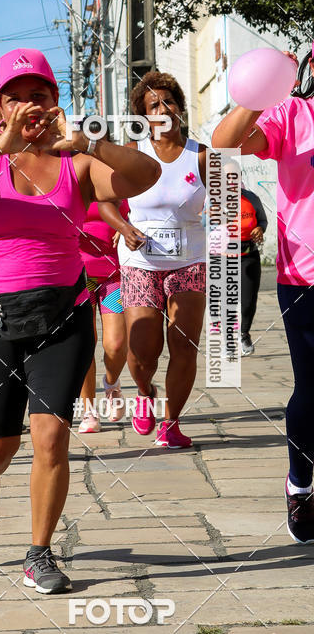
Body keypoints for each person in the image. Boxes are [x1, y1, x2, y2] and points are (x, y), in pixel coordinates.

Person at [0, 48, 160, 594]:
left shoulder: (76, 161)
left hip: (63, 318)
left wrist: (91, 141)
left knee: (51, 438)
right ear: (1, 106)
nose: (30, 104)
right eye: (17, 96)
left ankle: (39, 552)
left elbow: (145, 176)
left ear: (55, 102)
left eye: (40, 95)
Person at [212, 44, 314, 545]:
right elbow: (225, 140)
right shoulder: (293, 113)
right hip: (306, 279)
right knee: (312, 394)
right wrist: (261, 89)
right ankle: (300, 484)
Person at [114, 71, 208, 449]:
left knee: (184, 343)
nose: (163, 109)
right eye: (154, 105)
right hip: (140, 262)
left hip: (191, 260)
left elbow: (225, 205)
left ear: (180, 109)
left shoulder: (201, 155)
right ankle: (143, 390)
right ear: (143, 116)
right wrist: (123, 226)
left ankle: (171, 423)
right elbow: (103, 198)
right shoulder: (133, 153)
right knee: (142, 350)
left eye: (169, 102)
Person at [77, 199, 129, 433]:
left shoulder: (119, 181)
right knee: (84, 342)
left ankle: (112, 384)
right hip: (79, 276)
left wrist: (126, 226)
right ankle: (88, 410)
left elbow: (140, 213)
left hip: (113, 275)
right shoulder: (72, 178)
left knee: (116, 344)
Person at [239, 182, 267, 355]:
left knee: (248, 300)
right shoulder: (214, 199)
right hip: (221, 257)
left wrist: (259, 228)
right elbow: (204, 223)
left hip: (248, 255)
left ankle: (244, 334)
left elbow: (263, 220)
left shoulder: (251, 198)